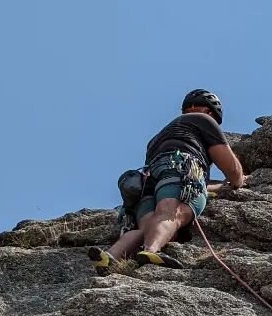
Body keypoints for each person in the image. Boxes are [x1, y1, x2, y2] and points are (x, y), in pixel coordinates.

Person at [89, 89, 245, 271]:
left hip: (147, 180)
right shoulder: (204, 120)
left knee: (146, 226)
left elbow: (175, 179)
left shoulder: (158, 137)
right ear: (210, 112)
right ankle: (151, 250)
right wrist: (239, 180)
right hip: (180, 167)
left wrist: (219, 187)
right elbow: (232, 170)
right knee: (171, 212)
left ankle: (110, 257)